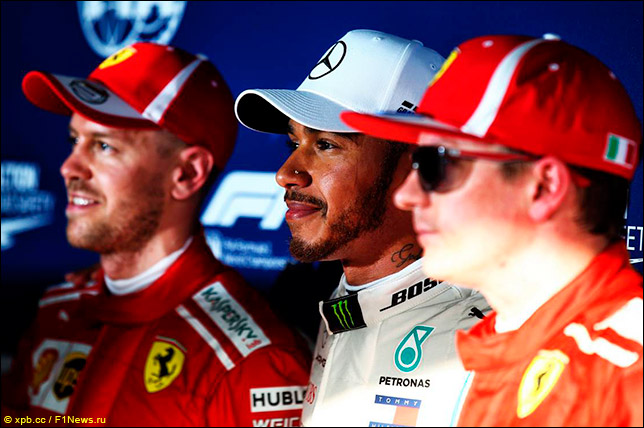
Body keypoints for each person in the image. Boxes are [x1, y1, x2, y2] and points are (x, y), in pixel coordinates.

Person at [2, 42, 311, 426]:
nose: (69, 167)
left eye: (104, 146)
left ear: (188, 174)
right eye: (74, 140)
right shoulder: (58, 310)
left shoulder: (251, 364)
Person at [341, 34, 643, 426]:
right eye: (416, 164)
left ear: (545, 187)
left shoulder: (629, 373)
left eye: (436, 165)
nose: (407, 195)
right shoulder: (504, 344)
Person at [235, 29, 490, 427]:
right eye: (294, 144)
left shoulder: (492, 343)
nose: (286, 174)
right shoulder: (326, 306)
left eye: (326, 145)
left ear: (420, 165)